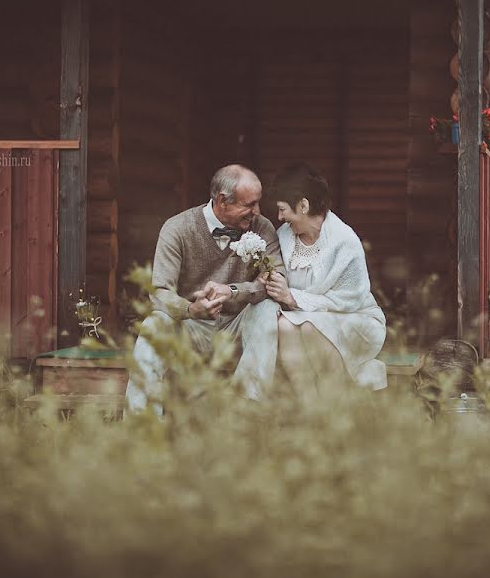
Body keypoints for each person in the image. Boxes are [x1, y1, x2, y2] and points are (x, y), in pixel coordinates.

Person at [125, 164, 285, 413]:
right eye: (249, 204)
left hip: (238, 328)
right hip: (191, 328)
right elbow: (159, 292)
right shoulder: (177, 228)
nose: (257, 211)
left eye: (257, 203)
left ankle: (249, 410)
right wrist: (190, 308)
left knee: (268, 306)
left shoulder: (261, 227)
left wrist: (233, 291)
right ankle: (141, 423)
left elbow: (276, 278)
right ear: (222, 201)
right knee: (154, 325)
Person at [262, 163, 387, 399]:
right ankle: (310, 408)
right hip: (301, 318)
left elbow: (349, 300)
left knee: (310, 326)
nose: (279, 217)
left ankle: (334, 406)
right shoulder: (284, 235)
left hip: (353, 318)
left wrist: (292, 297)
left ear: (304, 205)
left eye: (282, 209)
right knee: (284, 326)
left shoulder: (345, 241)